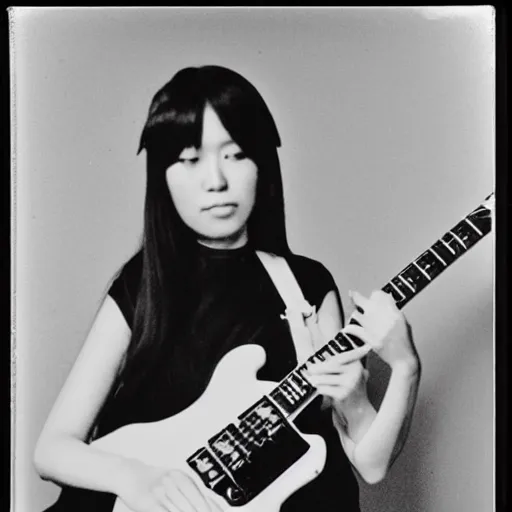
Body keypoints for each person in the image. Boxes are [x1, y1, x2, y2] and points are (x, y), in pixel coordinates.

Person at [34, 65, 421, 512]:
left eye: (235, 154)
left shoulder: (307, 289)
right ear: (163, 177)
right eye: (190, 159)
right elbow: (52, 450)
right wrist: (138, 480)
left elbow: (370, 465)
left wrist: (403, 367)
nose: (215, 180)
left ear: (263, 164)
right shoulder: (142, 285)